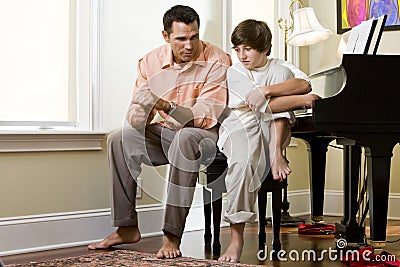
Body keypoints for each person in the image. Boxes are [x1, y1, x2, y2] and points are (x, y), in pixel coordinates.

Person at [88, 5, 231, 259]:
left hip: (203, 135)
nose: (189, 45)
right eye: (181, 39)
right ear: (166, 37)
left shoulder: (217, 61)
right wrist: (143, 108)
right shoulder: (150, 62)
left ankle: (171, 236)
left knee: (186, 138)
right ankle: (127, 227)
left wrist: (165, 104)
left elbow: (205, 116)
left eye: (194, 37)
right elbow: (135, 118)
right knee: (119, 138)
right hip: (166, 133)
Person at [217, 19, 319, 263]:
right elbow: (263, 106)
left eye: (248, 49)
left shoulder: (280, 67)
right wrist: (300, 100)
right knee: (242, 164)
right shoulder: (234, 71)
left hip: (272, 130)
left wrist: (266, 90)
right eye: (237, 49)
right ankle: (236, 239)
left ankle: (275, 153)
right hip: (239, 125)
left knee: (277, 94)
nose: (241, 55)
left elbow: (305, 84)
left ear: (264, 48)